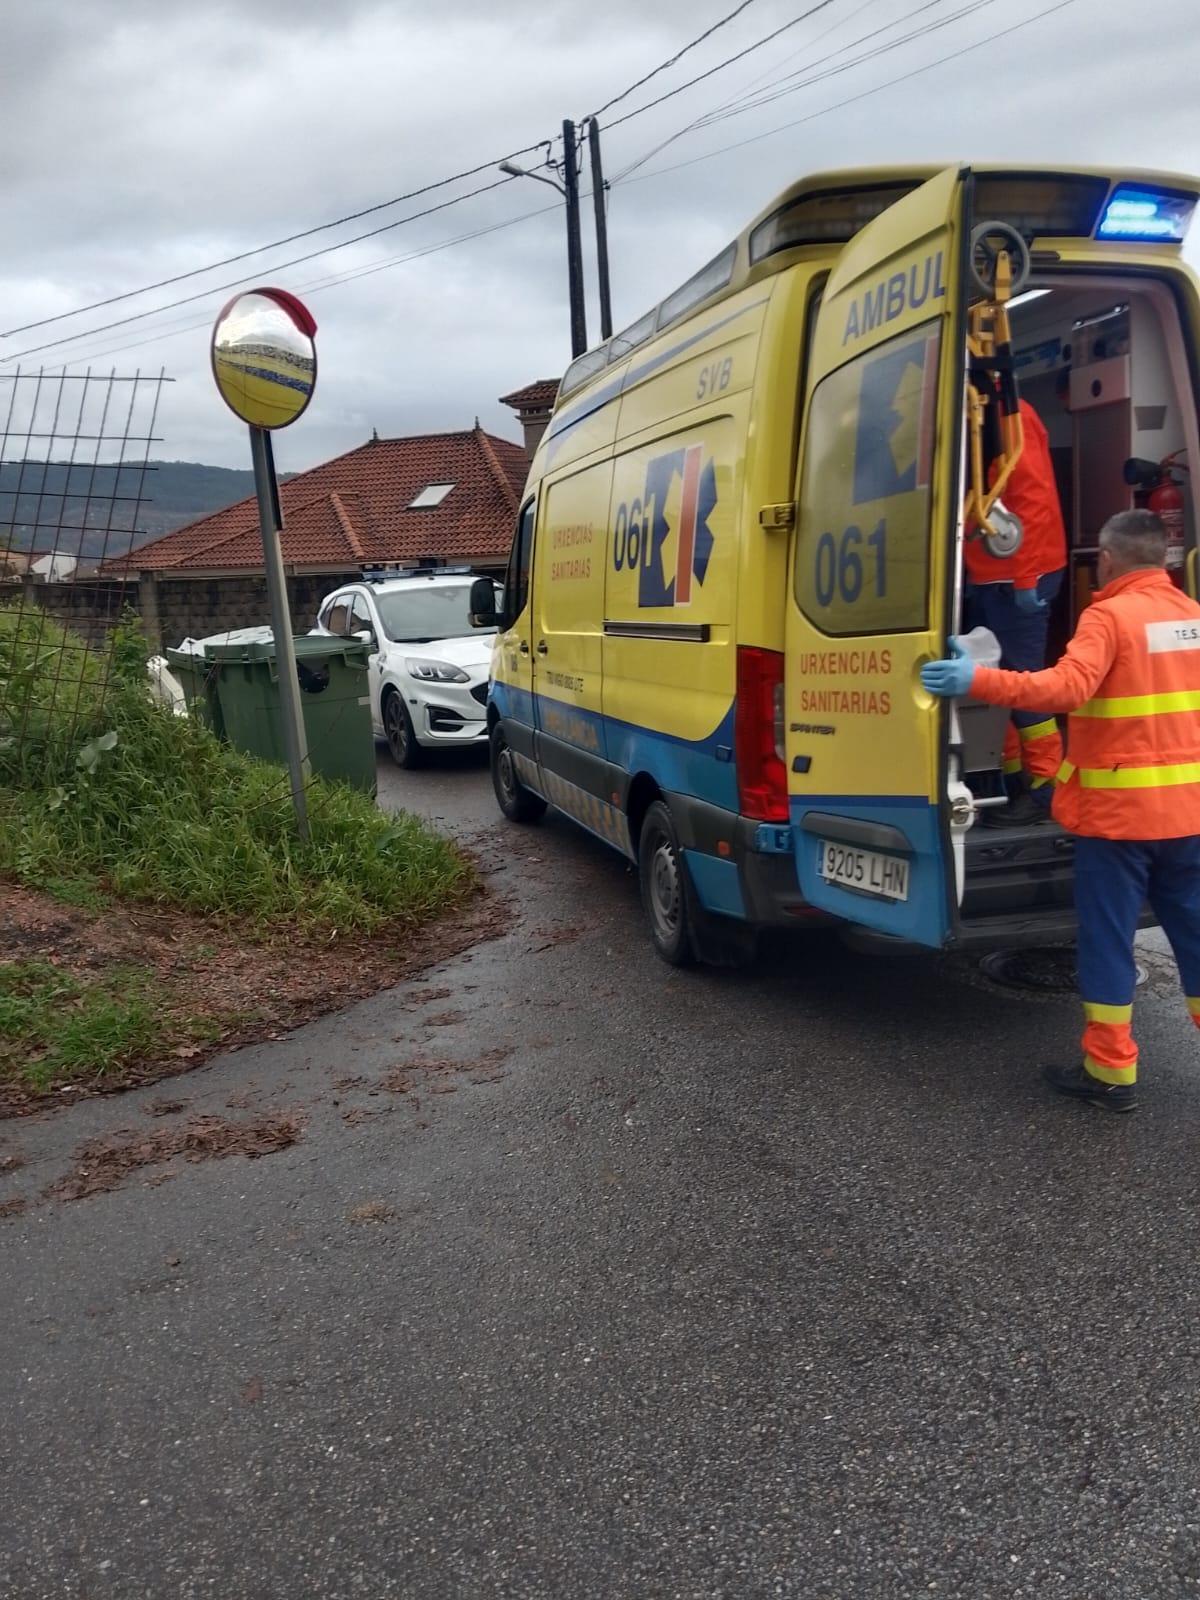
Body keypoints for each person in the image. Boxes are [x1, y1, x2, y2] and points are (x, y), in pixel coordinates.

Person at [923, 509, 1200, 1113]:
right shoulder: (1193, 619)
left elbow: (1063, 689)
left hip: (1120, 821)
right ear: (1162, 559)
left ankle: (1110, 1072)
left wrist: (978, 680)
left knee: (1106, 942)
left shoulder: (1109, 616)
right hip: (1189, 816)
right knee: (1196, 937)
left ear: (1108, 558)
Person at [965, 396, 1068, 820]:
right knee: (998, 683)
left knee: (1025, 686)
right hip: (989, 574)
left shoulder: (1009, 415)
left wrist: (1026, 579)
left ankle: (1045, 789)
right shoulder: (974, 413)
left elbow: (1033, 503)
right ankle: (1008, 777)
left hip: (1019, 575)